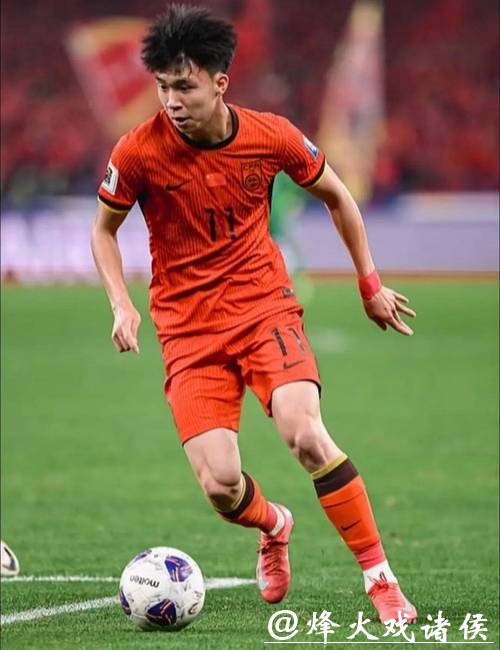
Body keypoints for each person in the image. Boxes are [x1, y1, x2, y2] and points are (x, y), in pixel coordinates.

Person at [91, 3, 417, 623]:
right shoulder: (137, 152)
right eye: (162, 87)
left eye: (184, 86)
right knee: (220, 485)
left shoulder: (271, 136)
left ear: (220, 82)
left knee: (305, 432)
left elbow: (338, 197)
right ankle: (274, 526)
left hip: (263, 307)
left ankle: (381, 579)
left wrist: (369, 282)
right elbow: (103, 231)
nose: (171, 101)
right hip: (187, 330)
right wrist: (120, 303)